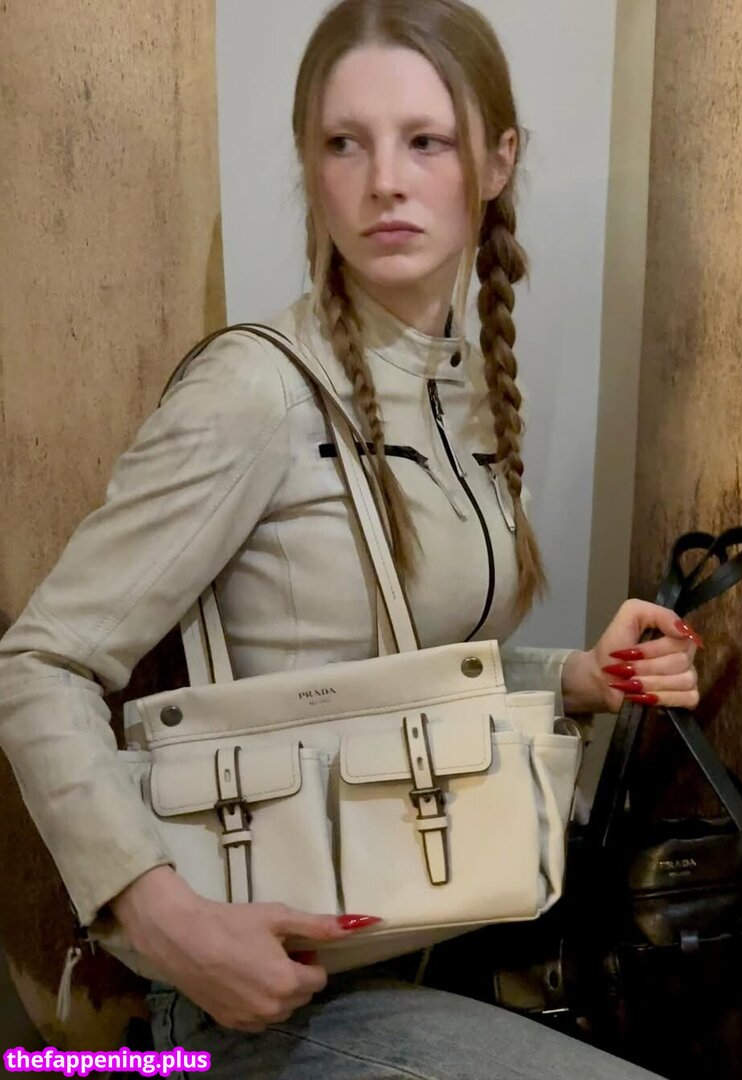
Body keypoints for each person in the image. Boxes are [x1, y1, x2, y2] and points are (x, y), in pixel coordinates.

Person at [0, 1, 701, 1075]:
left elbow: (381, 680)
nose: (384, 181)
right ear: (308, 164)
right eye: (344, 143)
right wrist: (162, 920)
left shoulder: (461, 391)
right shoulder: (256, 392)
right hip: (274, 996)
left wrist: (576, 676)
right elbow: (38, 664)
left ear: (498, 161)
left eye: (426, 141)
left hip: (446, 937)